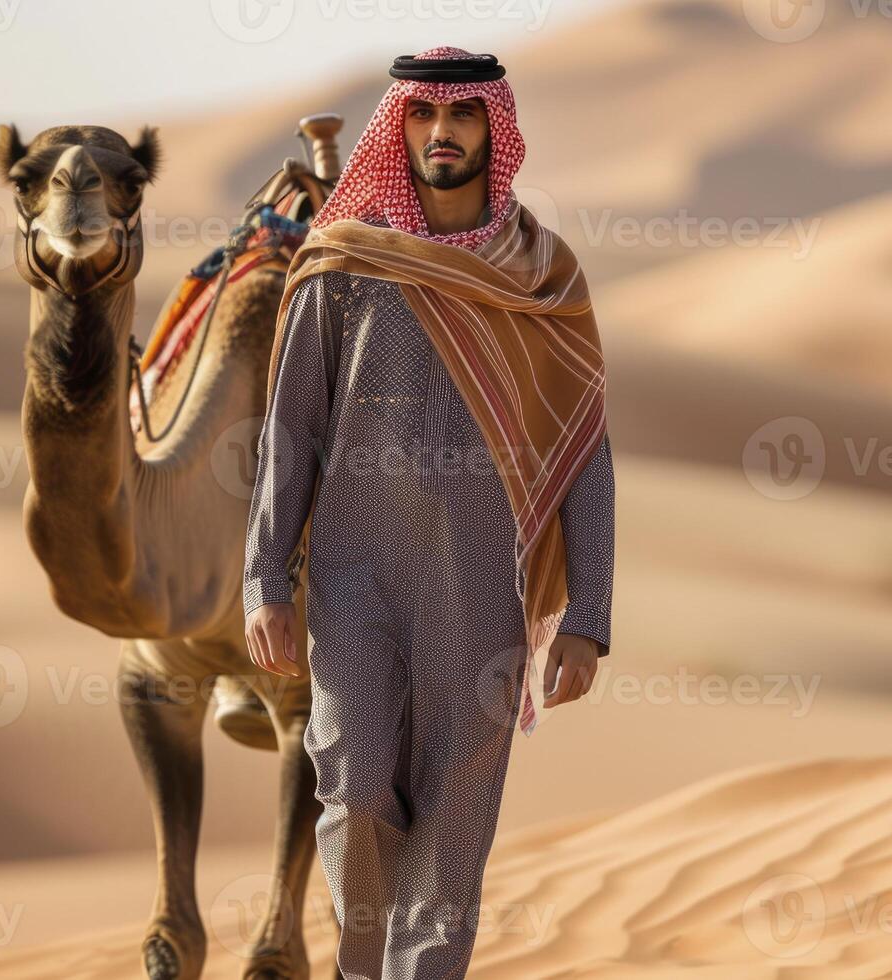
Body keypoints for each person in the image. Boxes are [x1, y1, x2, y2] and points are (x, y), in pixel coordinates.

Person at [240, 45, 615, 979]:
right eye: (420, 116)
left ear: (495, 127)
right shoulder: (344, 262)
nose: (440, 134)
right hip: (352, 582)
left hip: (482, 588)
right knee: (356, 787)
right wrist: (264, 577)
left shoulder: (538, 275)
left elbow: (583, 448)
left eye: (460, 116)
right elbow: (292, 433)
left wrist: (589, 617)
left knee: (454, 821)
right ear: (397, 125)